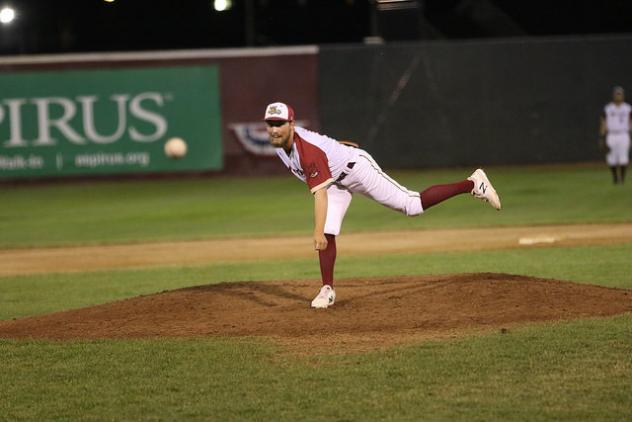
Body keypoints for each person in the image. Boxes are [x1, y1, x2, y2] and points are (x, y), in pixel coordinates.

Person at [264, 102, 501, 309]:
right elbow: (320, 153)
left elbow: (320, 193)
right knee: (329, 229)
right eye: (270, 124)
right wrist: (335, 149)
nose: (274, 129)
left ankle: (471, 184)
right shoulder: (281, 145)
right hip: (335, 180)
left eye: (280, 123)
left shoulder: (307, 151)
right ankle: (327, 289)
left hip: (357, 170)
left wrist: (316, 232)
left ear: (291, 123)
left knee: (412, 205)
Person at [599, 86, 631, 184]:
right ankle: (615, 178)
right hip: (611, 135)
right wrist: (602, 137)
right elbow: (603, 122)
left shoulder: (628, 108)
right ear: (613, 95)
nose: (618, 96)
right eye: (617, 94)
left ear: (623, 95)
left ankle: (622, 179)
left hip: (623, 134)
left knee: (623, 158)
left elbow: (631, 123)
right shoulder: (608, 108)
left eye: (620, 94)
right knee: (611, 159)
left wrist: (631, 136)